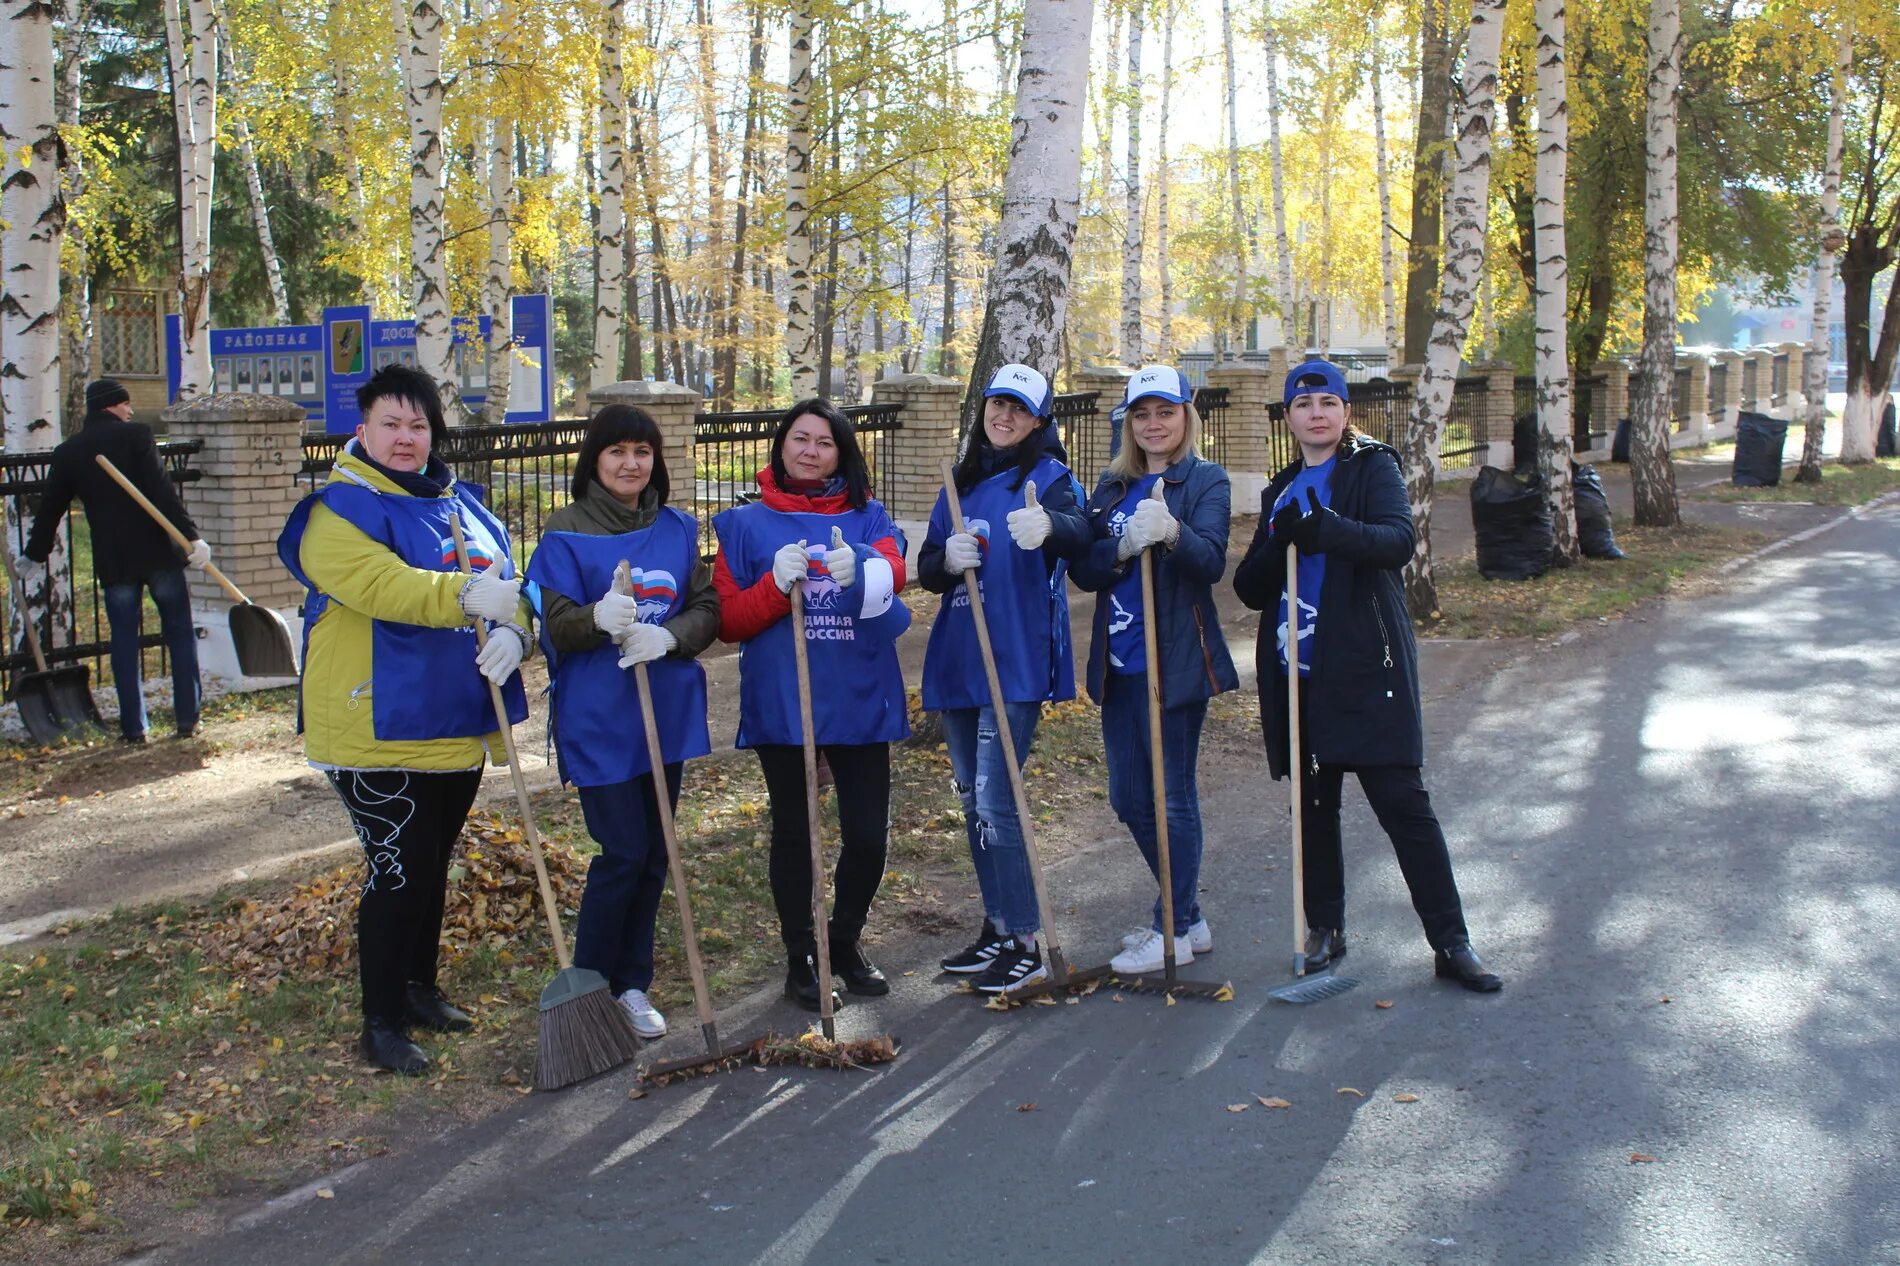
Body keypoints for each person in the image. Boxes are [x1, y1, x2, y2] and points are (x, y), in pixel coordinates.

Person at [277, 365, 535, 1074]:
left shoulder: (463, 506)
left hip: (452, 720)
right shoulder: (339, 512)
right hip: (374, 727)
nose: (405, 437)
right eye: (390, 423)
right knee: (397, 870)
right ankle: (380, 1020)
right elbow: (384, 586)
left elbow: (516, 585)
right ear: (362, 431)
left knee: (430, 865)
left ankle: (419, 989)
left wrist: (520, 629)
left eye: (418, 425)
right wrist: (471, 596)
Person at [1231, 359, 1501, 992]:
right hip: (1301, 677)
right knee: (1314, 812)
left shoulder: (1371, 467)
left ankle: (1451, 941)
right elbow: (1248, 587)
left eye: (1328, 402)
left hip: (1366, 671)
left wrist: (1323, 528)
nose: (1316, 413)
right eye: (1304, 404)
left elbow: (1395, 541)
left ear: (1346, 411)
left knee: (1404, 806)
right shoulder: (1281, 487)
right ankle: (1325, 929)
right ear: (1289, 417)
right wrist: (1279, 538)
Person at [711, 399, 911, 1012]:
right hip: (784, 702)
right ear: (781, 446)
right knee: (796, 835)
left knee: (868, 838)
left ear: (841, 453)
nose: (810, 450)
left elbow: (898, 573)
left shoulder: (869, 514)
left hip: (860, 697)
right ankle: (802, 959)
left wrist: (870, 567)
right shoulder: (745, 526)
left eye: (824, 442)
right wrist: (772, 587)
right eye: (799, 438)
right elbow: (728, 621)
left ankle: (842, 942)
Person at [527, 406, 718, 1040]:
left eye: (642, 452)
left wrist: (669, 638)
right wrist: (595, 620)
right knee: (624, 850)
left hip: (663, 712)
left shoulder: (677, 526)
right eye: (617, 452)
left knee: (656, 851)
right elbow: (553, 623)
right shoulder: (564, 534)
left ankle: (634, 983)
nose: (631, 464)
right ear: (595, 460)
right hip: (601, 719)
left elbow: (706, 604)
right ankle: (592, 982)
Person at [918, 364, 1090, 995]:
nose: (1004, 417)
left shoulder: (1050, 478)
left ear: (1039, 421)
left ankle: (1029, 935)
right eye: (997, 404)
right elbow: (928, 566)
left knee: (998, 801)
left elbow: (1083, 534)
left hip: (1013, 661)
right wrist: (943, 559)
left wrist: (1052, 526)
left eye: (1019, 409)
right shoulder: (958, 484)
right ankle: (996, 925)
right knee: (972, 800)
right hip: (961, 657)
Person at [1071, 366, 1239, 975]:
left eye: (1164, 412)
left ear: (1185, 415)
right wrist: (1116, 548)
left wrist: (1171, 533)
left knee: (1171, 798)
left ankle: (1174, 920)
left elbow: (1211, 562)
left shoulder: (1207, 480)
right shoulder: (1112, 487)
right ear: (1129, 423)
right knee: (1127, 798)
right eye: (1141, 415)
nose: (1153, 425)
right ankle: (1187, 914)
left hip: (1176, 663)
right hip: (1120, 665)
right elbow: (1085, 571)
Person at [22, 378, 212, 742]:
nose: (130, 410)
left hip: (115, 561)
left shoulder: (70, 451)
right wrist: (191, 537)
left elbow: (51, 509)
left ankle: (134, 727)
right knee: (179, 634)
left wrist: (35, 555)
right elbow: (162, 491)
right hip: (159, 554)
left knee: (123, 641)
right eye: (126, 404)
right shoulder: (138, 436)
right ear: (112, 405)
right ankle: (187, 720)